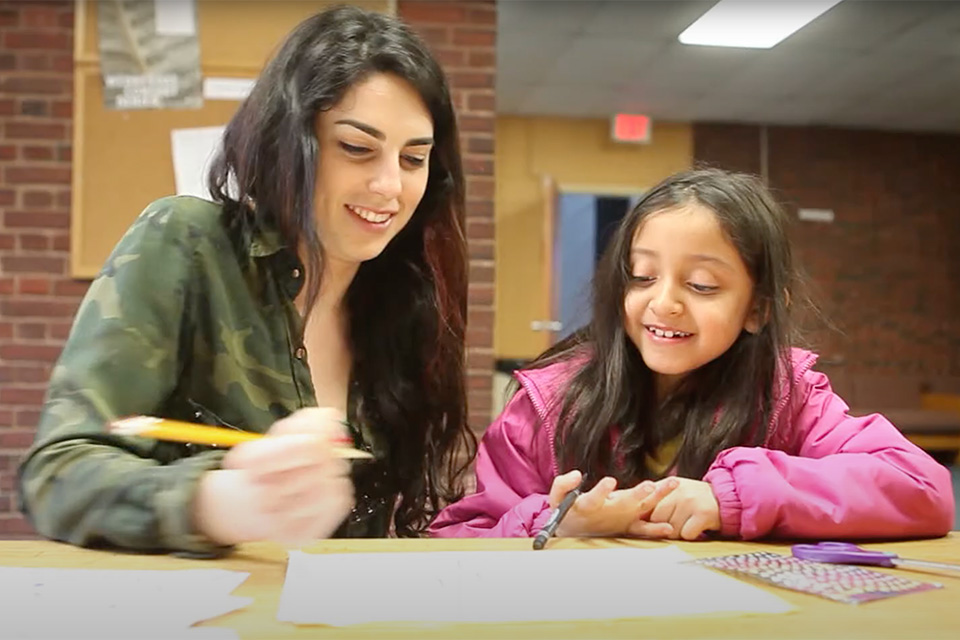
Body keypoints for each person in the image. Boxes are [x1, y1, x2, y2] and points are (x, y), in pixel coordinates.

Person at [19, 5, 476, 556]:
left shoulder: (404, 303)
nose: (388, 186)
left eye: (413, 159)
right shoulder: (190, 245)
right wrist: (214, 501)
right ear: (291, 142)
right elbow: (58, 470)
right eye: (356, 148)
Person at [430, 168, 955, 541]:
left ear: (759, 308)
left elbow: (920, 487)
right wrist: (555, 521)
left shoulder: (788, 397)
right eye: (642, 276)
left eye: (702, 285)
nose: (663, 303)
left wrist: (733, 498)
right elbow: (457, 536)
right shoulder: (548, 404)